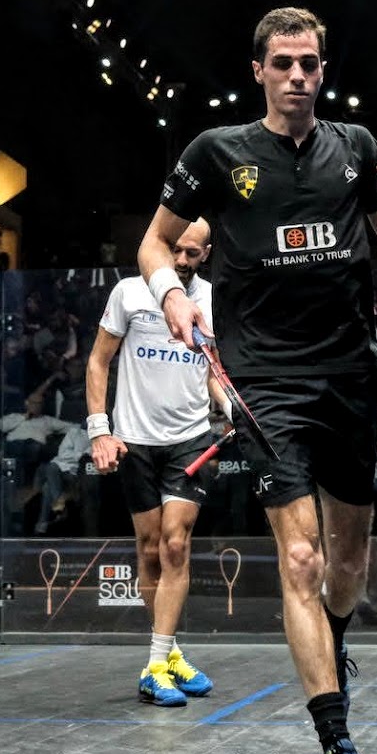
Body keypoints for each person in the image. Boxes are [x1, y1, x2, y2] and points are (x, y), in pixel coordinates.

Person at [136, 6, 377, 754]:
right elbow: (152, 241)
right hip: (263, 382)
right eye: (283, 63)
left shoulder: (356, 147)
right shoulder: (216, 152)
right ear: (259, 70)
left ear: (322, 71)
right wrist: (172, 296)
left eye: (309, 64)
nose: (297, 76)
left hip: (350, 376)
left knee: (346, 567)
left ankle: (332, 647)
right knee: (300, 559)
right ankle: (337, 740)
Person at [89, 218, 223, 707]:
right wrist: (99, 430)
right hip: (135, 442)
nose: (182, 260)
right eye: (177, 250)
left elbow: (213, 370)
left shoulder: (214, 300)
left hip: (190, 440)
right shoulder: (128, 293)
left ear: (206, 253)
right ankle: (170, 655)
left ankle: (153, 667)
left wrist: (231, 409)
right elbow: (98, 362)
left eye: (193, 253)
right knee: (148, 551)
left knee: (175, 544)